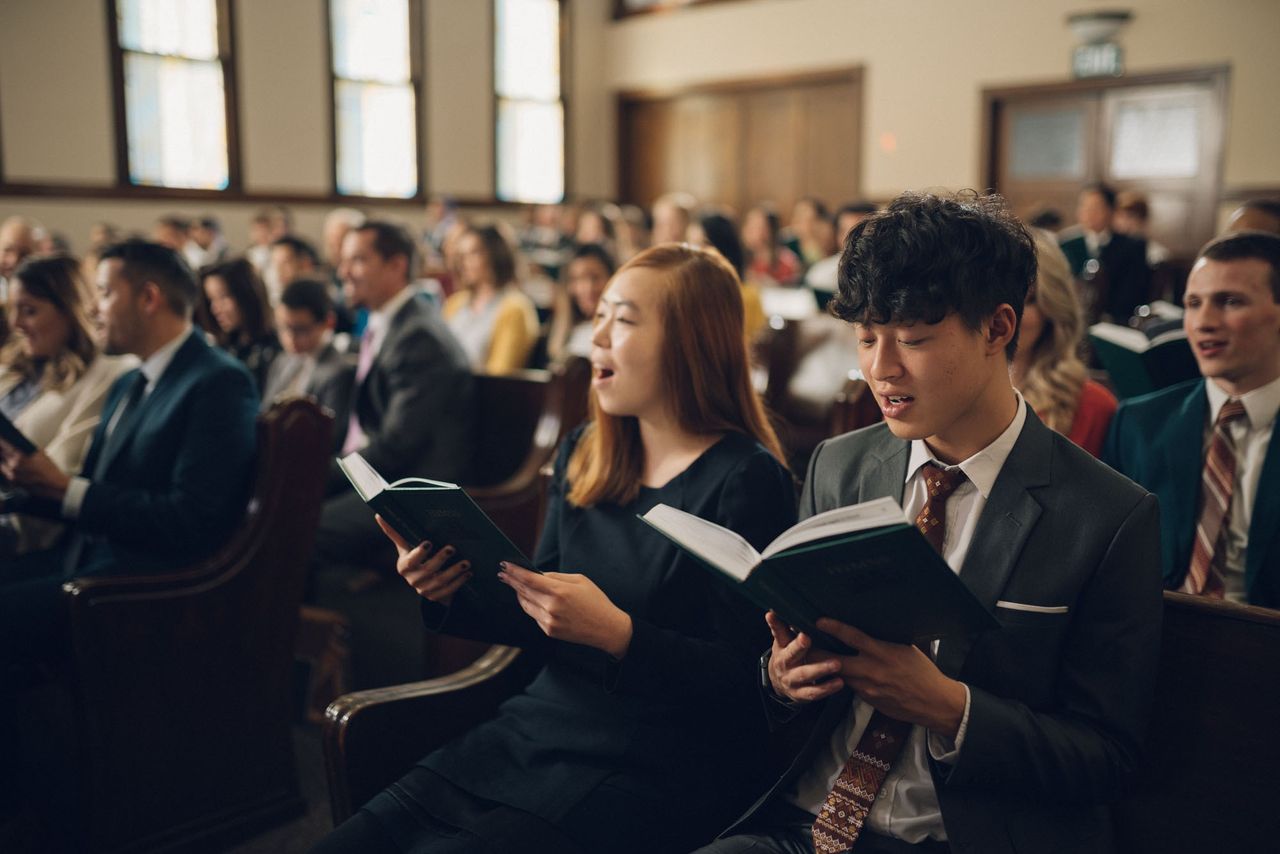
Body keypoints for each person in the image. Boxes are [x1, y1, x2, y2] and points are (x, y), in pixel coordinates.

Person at [699, 191, 1162, 854]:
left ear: (999, 329)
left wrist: (950, 707)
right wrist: (781, 678)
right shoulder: (839, 465)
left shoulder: (1106, 517)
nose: (882, 370)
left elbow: (1108, 758)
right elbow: (785, 681)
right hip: (802, 821)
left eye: (913, 339)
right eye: (865, 338)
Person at [315, 243, 799, 854]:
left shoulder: (746, 479)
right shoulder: (586, 449)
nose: (595, 336)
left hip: (654, 758)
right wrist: (447, 586)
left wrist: (621, 635)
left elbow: (751, 684)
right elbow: (538, 601)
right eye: (598, 316)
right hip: (540, 725)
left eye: (622, 320)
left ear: (690, 344)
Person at [0, 238, 257, 637]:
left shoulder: (217, 381)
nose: (92, 309)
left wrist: (65, 489)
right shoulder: (130, 382)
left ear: (148, 298)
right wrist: (29, 485)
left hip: (138, 583)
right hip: (83, 558)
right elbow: (99, 492)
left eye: (103, 293)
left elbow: (190, 519)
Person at [1104, 231, 1280, 608]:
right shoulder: (1139, 423)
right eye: (1194, 304)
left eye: (1230, 302)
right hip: (1156, 637)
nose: (1204, 322)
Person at [314, 221, 473, 570]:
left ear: (396, 266)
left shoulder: (419, 338)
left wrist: (316, 474)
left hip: (415, 487)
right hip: (385, 470)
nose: (343, 272)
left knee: (302, 527)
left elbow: (397, 448)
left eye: (357, 260)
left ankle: (317, 623)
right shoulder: (388, 321)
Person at [0, 255, 135, 555]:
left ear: (68, 312)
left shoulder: (107, 374)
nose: (16, 324)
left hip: (24, 530)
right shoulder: (13, 369)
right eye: (13, 310)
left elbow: (60, 474)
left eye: (30, 311)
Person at [1010, 230, 1117, 457]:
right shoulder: (955, 396)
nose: (1009, 318)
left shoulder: (1094, 407)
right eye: (1000, 300)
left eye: (1028, 301)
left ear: (1051, 310)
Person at [260, 277, 354, 450]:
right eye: (283, 328)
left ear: (328, 322)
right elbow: (264, 414)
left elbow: (330, 438)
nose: (290, 338)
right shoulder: (281, 360)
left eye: (300, 329)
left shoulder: (339, 371)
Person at [442, 224, 539, 374]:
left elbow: (499, 375)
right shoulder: (455, 303)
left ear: (495, 255)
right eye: (461, 256)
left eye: (473, 254)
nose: (464, 262)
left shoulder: (515, 308)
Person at [1058, 183, 1151, 323]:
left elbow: (1134, 291)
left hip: (1117, 322)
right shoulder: (1066, 244)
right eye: (1084, 207)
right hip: (1073, 321)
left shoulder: (1132, 246)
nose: (1088, 213)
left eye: (1095, 208)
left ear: (1111, 211)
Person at [199, 257, 281, 393]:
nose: (215, 308)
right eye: (211, 300)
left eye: (223, 297)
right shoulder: (225, 347)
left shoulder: (274, 349)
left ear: (246, 295)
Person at [689, 211, 766, 341]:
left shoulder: (745, 297)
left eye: (701, 245)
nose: (691, 253)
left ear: (721, 248)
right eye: (690, 244)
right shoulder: (686, 295)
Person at [546, 242, 614, 365]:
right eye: (577, 279)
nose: (587, 288)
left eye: (595, 277)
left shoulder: (618, 333)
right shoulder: (569, 329)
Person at [742, 205, 802, 286]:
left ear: (770, 231)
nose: (748, 230)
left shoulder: (787, 263)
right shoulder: (744, 260)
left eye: (756, 226)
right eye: (748, 224)